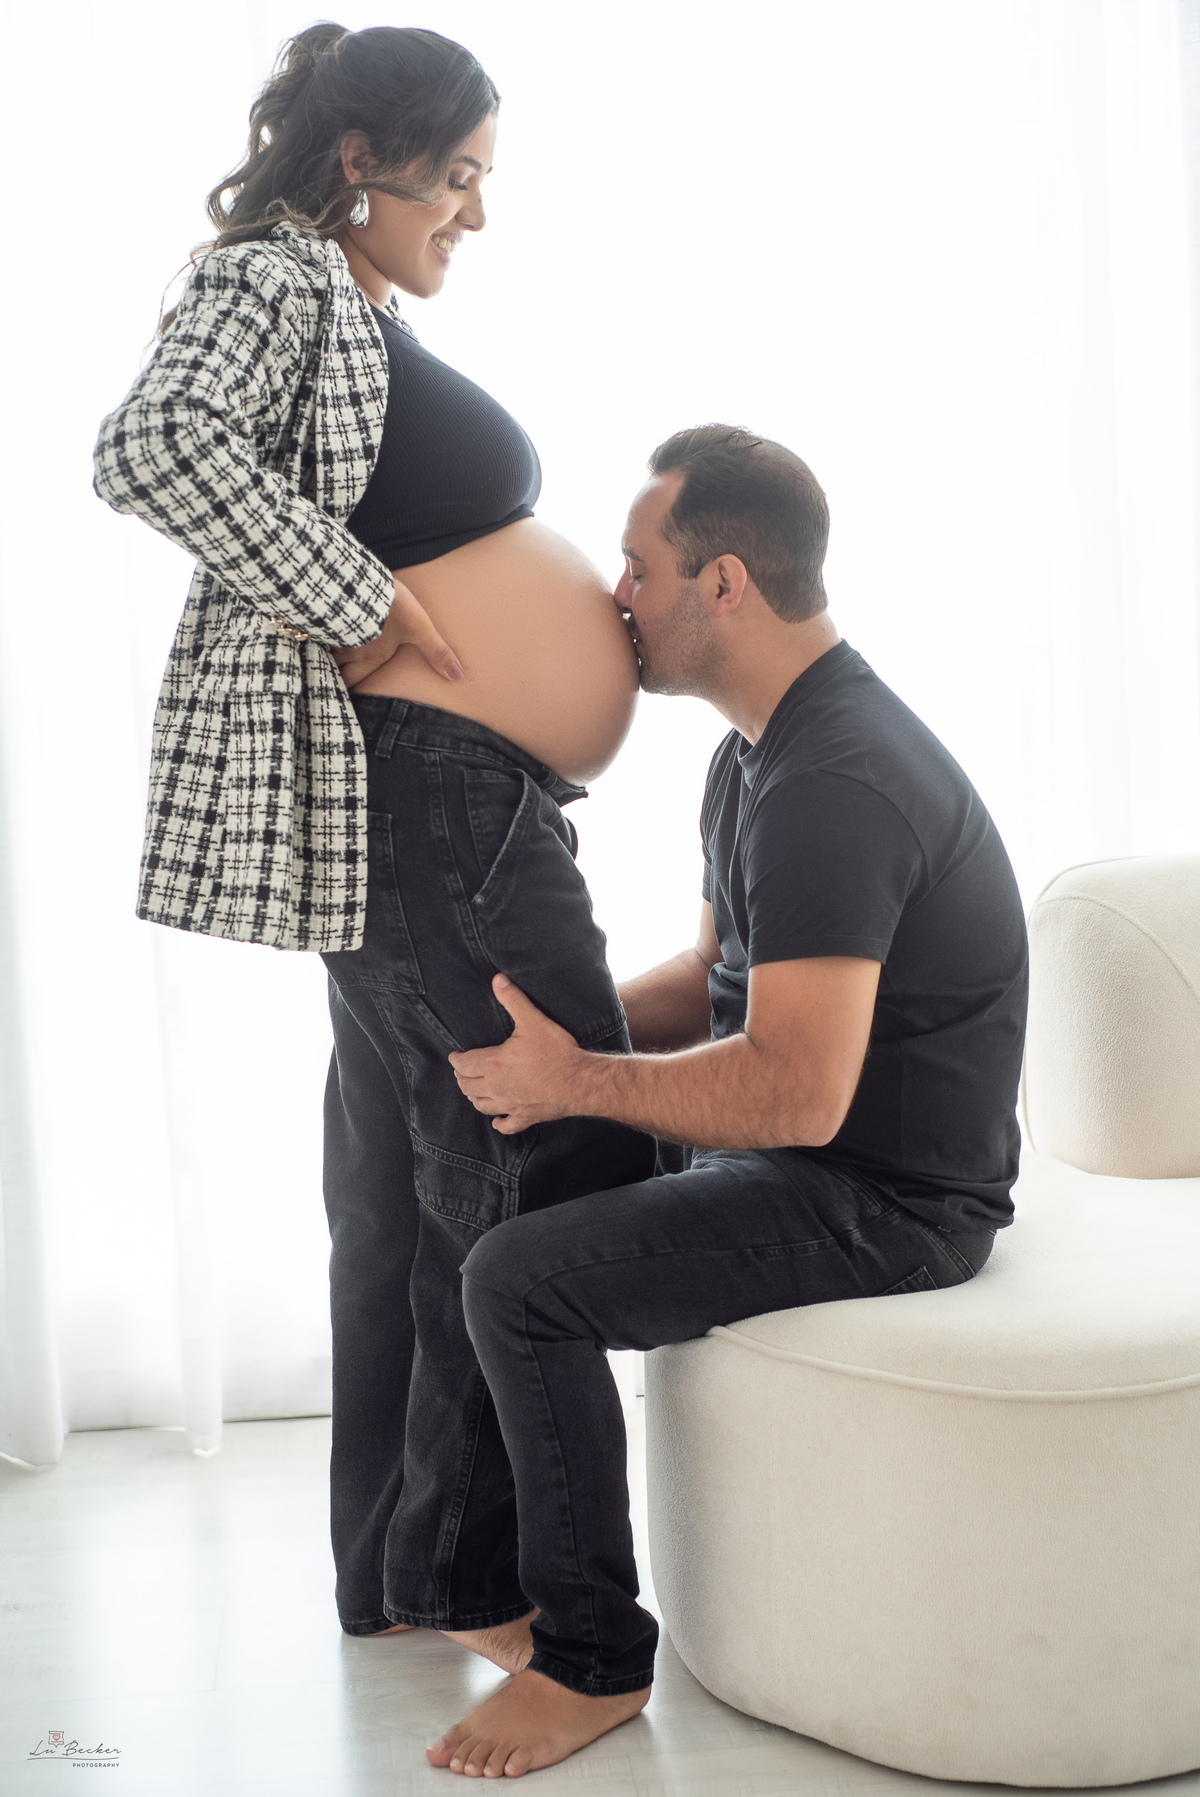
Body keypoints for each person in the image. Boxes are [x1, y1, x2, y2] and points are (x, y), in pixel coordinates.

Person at [92, 24, 655, 1670]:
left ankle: (405, 1570)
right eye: (457, 175)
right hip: (425, 793)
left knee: (413, 1183)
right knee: (534, 1147)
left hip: (435, 796)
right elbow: (148, 446)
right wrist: (361, 595)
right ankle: (473, 1573)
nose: (476, 211)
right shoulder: (275, 277)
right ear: (362, 162)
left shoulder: (347, 308)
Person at [429, 424, 1030, 1778]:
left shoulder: (838, 780)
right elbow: (716, 986)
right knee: (526, 1165)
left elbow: (797, 1093)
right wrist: (554, 1041)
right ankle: (469, 1572)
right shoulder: (756, 755)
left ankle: (593, 1660)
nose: (615, 594)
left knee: (518, 1282)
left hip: (892, 1200)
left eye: (638, 565)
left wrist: (579, 1081)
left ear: (725, 584)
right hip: (818, 1154)